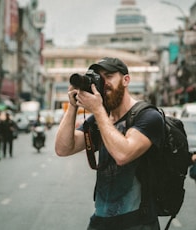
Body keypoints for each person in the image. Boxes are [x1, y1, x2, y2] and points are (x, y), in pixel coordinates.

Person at [55, 57, 164, 230]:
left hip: (137, 222)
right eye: (99, 78)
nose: (103, 83)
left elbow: (123, 155)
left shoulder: (148, 116)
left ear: (126, 79)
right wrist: (73, 107)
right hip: (100, 220)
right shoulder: (102, 119)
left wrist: (98, 110)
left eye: (109, 76)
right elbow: (63, 148)